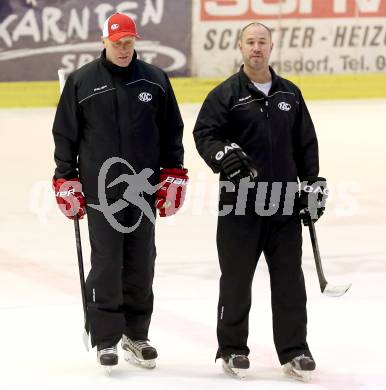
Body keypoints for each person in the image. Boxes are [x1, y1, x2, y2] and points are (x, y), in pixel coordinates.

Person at [52, 13, 188, 369]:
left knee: (141, 264)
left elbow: (172, 131)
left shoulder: (155, 80)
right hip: (101, 190)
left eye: (129, 43)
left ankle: (136, 334)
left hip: (143, 190)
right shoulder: (82, 82)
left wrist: (173, 174)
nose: (124, 49)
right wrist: (66, 178)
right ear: (105, 42)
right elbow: (65, 134)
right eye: (117, 44)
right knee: (107, 263)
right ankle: (105, 338)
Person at [193, 22, 327, 380]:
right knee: (236, 280)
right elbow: (205, 133)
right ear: (240, 47)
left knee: (289, 281)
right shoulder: (226, 94)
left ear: (271, 46)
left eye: (262, 42)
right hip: (239, 204)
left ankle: (295, 350)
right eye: (250, 42)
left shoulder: (290, 95)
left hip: (283, 201)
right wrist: (221, 154)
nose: (256, 48)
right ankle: (232, 349)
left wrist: (313, 184)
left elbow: (305, 144)